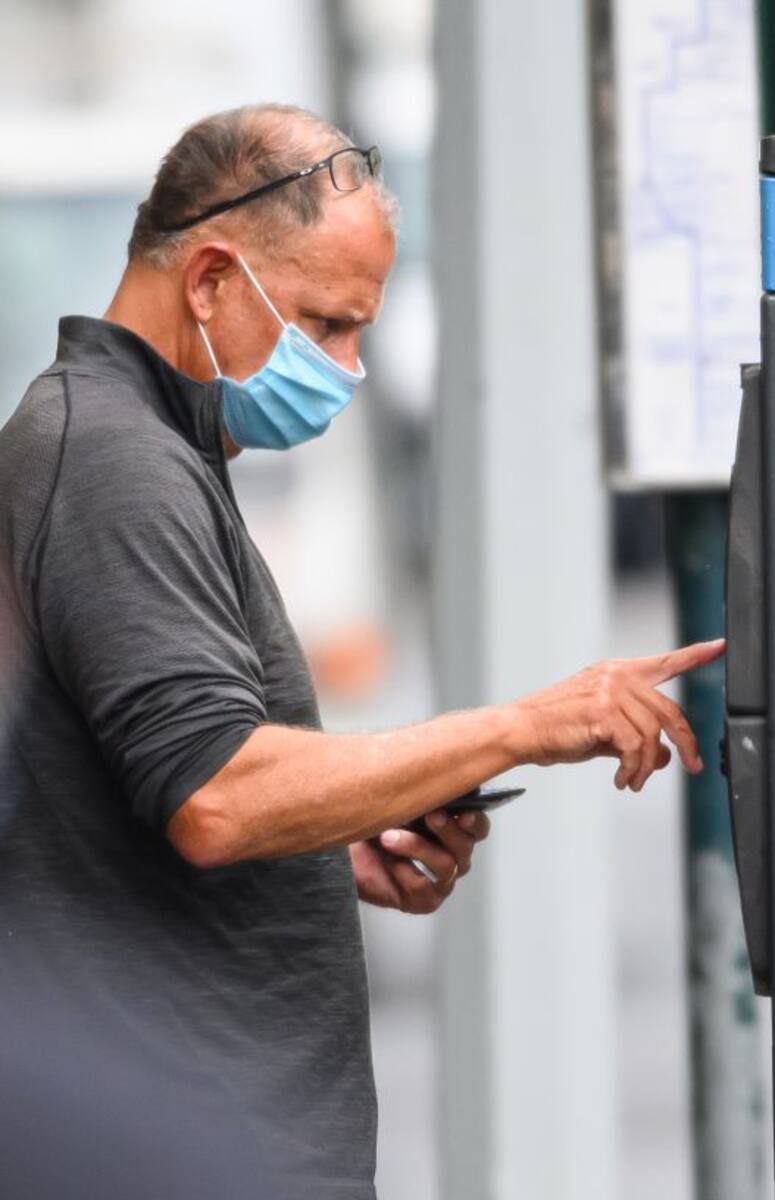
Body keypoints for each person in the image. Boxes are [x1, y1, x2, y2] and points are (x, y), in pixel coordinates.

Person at [0, 104, 722, 1198]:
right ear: (210, 280)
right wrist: (527, 724)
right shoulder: (112, 462)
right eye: (325, 324)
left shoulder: (139, 447)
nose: (349, 367)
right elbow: (216, 795)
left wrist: (322, 847)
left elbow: (111, 806)